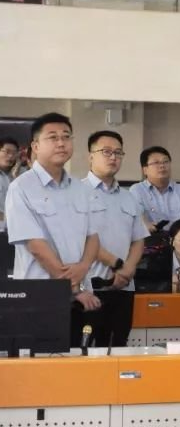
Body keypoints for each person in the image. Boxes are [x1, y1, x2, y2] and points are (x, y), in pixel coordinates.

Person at [4, 113, 101, 345]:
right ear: (35, 146)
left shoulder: (81, 189)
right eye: (53, 137)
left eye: (66, 137)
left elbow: (93, 237)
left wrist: (83, 268)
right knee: (41, 363)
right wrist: (73, 287)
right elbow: (36, 246)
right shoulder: (21, 188)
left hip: (81, 298)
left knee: (79, 360)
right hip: (39, 296)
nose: (61, 143)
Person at [83, 130, 149, 293]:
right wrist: (117, 264)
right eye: (106, 152)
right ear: (91, 156)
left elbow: (138, 239)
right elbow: (80, 238)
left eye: (118, 153)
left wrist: (128, 268)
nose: (113, 157)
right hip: (88, 286)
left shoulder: (128, 197)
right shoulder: (76, 192)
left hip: (125, 285)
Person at [129, 146, 180, 233]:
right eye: (156, 162)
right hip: (149, 238)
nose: (162, 166)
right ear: (145, 170)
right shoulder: (137, 190)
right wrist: (146, 225)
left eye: (165, 162)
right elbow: (138, 215)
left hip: (178, 238)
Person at [0, 136, 20, 232]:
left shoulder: (19, 176)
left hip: (15, 231)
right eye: (7, 152)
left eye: (14, 153)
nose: (11, 156)